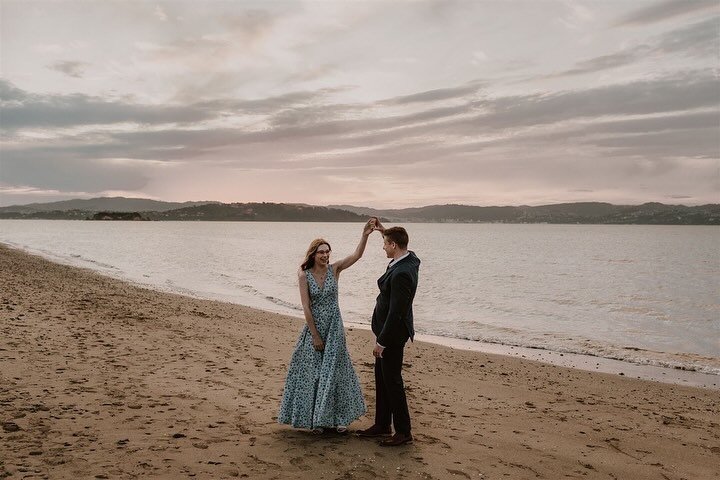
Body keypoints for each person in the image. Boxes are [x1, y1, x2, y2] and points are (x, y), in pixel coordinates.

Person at [278, 219, 377, 434]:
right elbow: (306, 306)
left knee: (337, 372)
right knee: (312, 373)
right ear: (313, 254)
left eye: (328, 252)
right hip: (315, 328)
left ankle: (339, 418)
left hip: (334, 328)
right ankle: (316, 419)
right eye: (321, 252)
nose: (325, 256)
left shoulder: (335, 270)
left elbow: (356, 256)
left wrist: (365, 234)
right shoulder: (304, 275)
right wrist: (314, 336)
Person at [358, 223, 420, 446]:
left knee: (392, 381)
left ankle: (403, 432)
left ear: (394, 245)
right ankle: (382, 424)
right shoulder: (407, 259)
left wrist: (382, 342)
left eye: (385, 244)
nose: (383, 248)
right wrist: (383, 231)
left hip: (391, 335)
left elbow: (397, 312)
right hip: (385, 330)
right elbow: (401, 249)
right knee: (382, 379)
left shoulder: (403, 273)